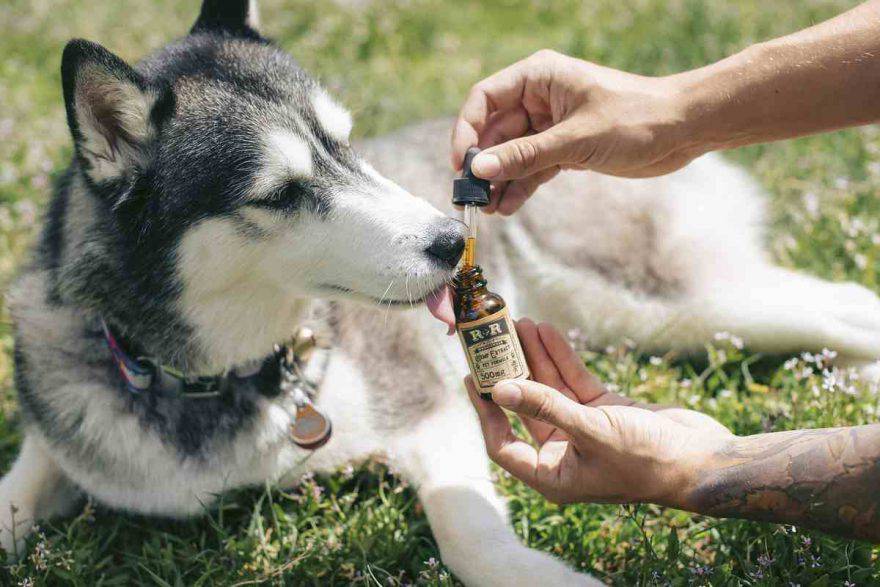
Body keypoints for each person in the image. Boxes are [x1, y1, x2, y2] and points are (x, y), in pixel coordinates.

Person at [454, 1, 880, 542]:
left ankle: (854, 326)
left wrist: (701, 469)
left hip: (586, 223)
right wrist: (671, 111)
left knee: (708, 310)